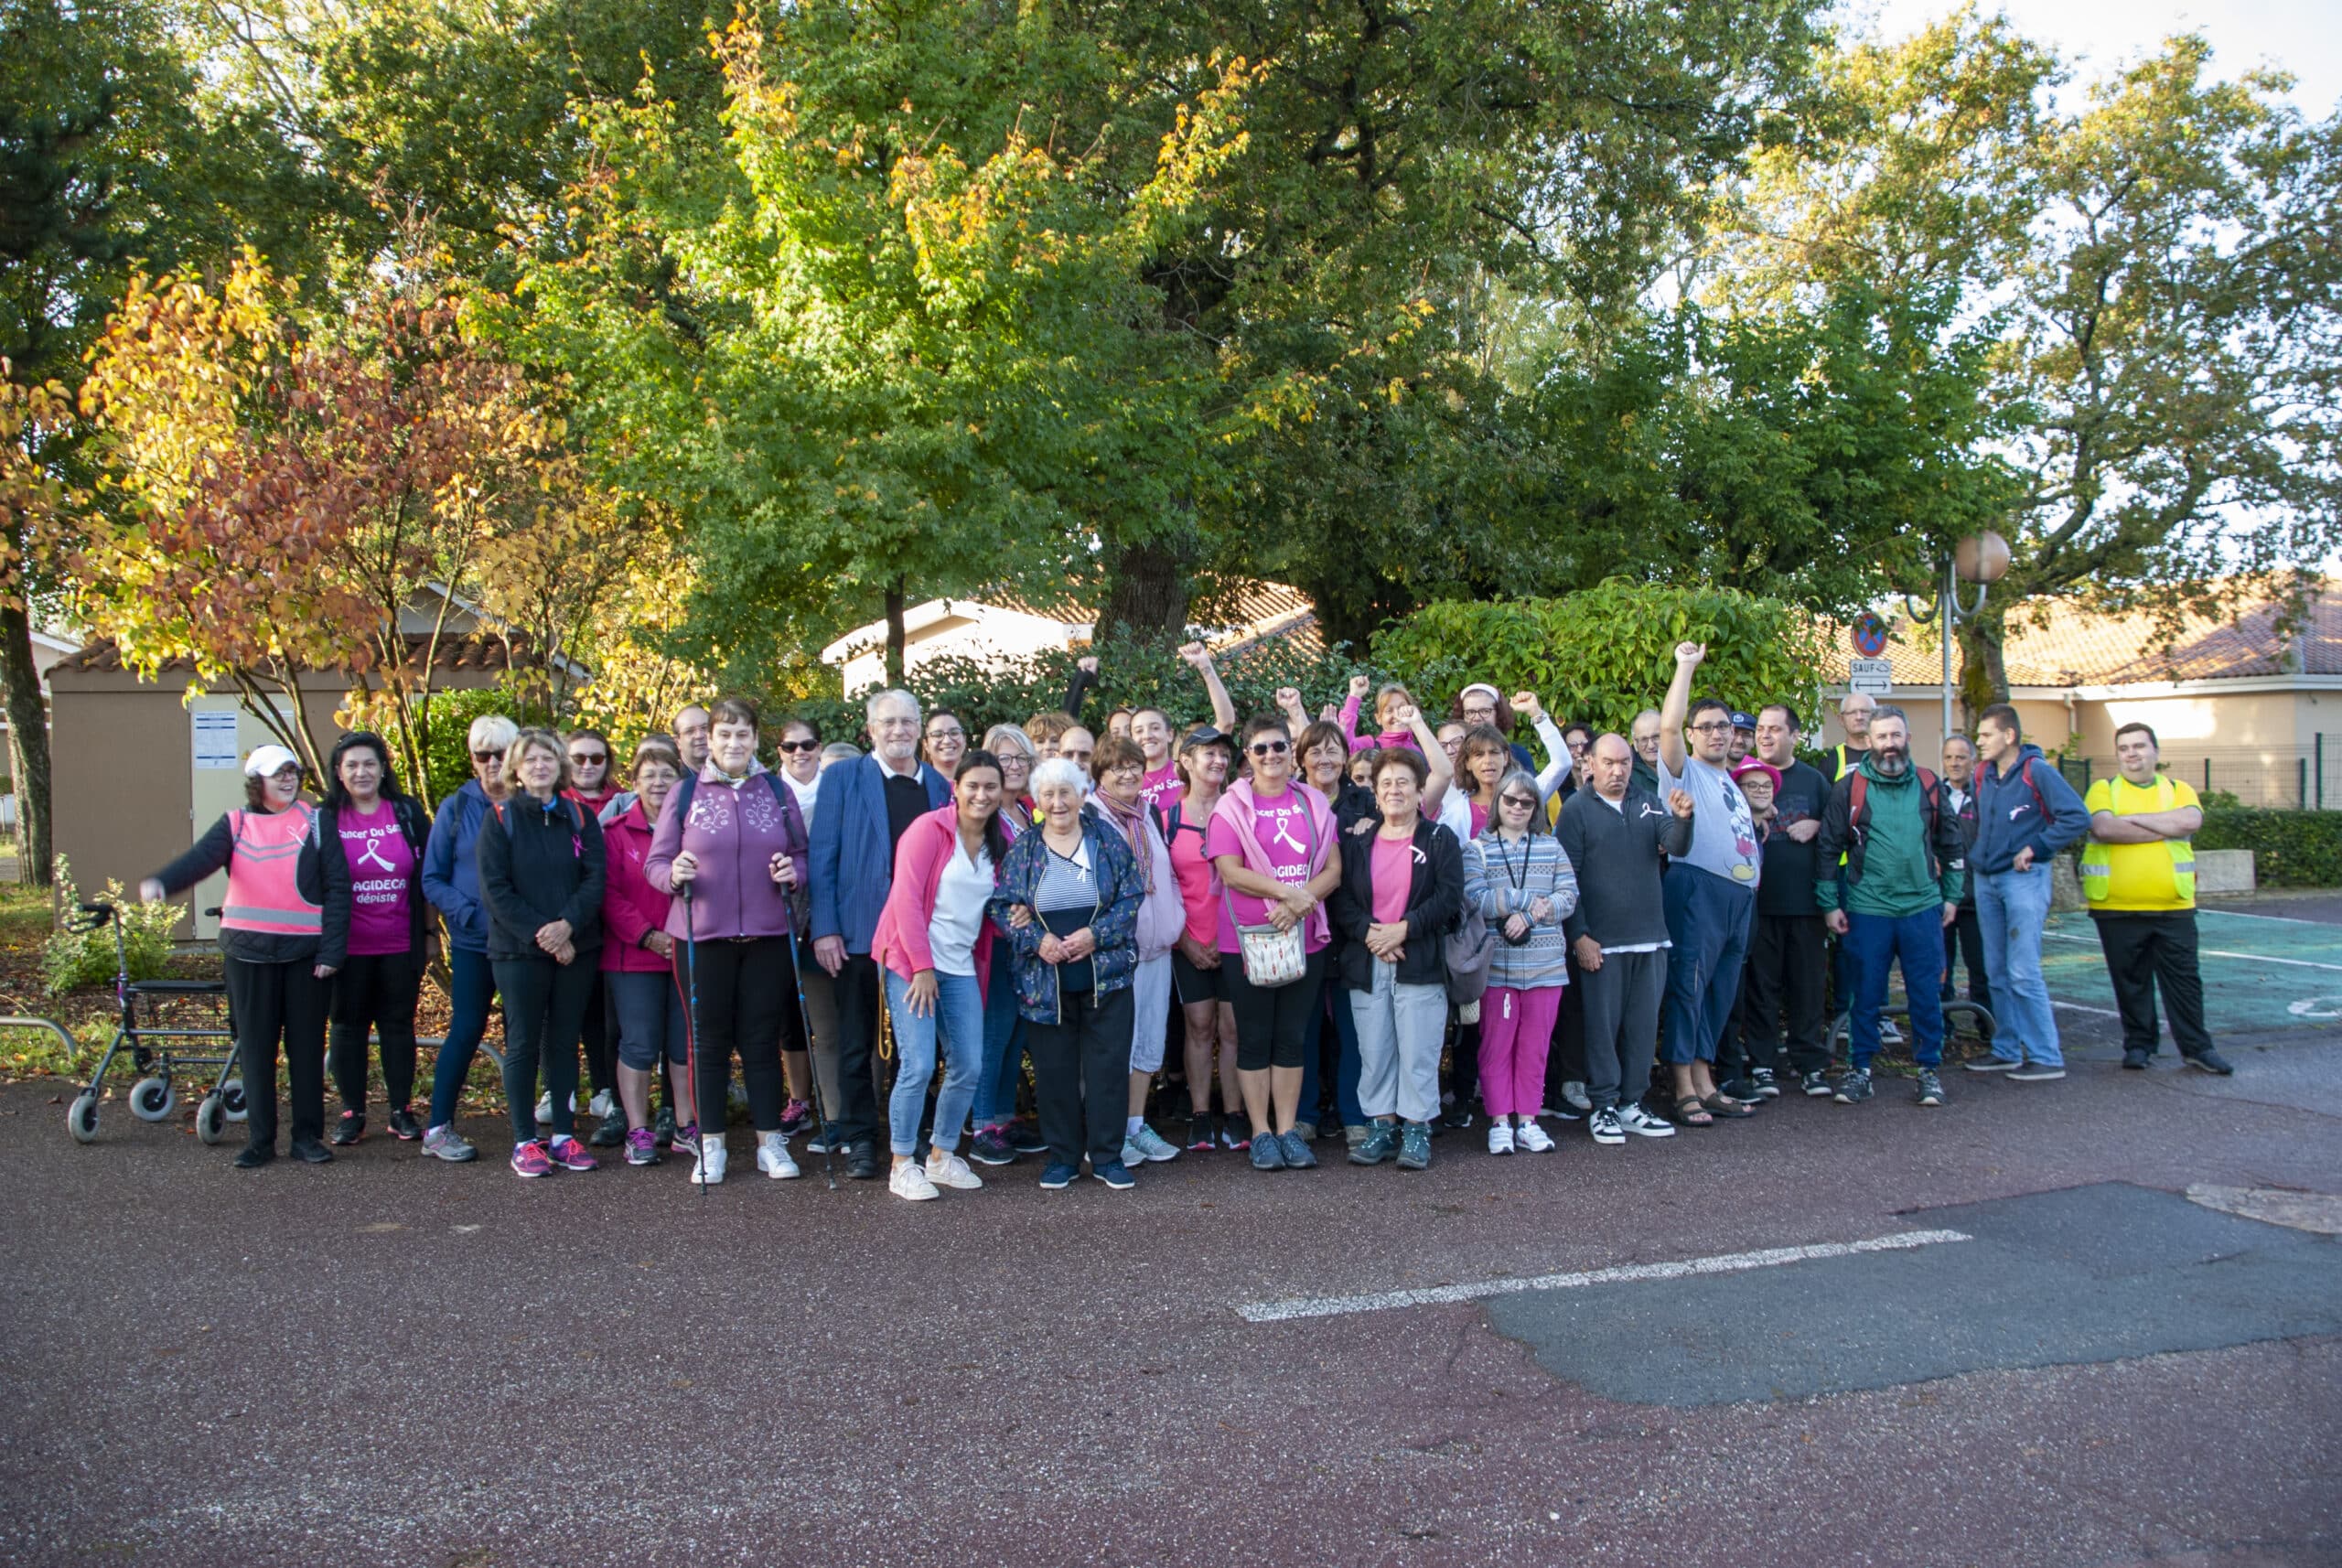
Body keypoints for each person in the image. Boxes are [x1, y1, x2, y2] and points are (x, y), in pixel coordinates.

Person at [140, 745, 330, 1168]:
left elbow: (336, 887)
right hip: (248, 956)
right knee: (256, 1051)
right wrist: (162, 883)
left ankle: (307, 1138)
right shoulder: (236, 824)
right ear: (257, 781)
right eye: (277, 773)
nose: (287, 779)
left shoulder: (316, 821)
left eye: (292, 771)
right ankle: (261, 1141)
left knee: (305, 1050)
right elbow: (199, 861)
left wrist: (332, 950)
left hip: (306, 957)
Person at [648, 697, 810, 1186]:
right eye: (724, 734)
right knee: (708, 1041)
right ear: (709, 741)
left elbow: (802, 856)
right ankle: (711, 1145)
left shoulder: (777, 792)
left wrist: (791, 872)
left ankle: (769, 1143)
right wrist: (673, 873)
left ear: (756, 740)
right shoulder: (684, 794)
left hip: (767, 935)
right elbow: (655, 864)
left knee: (761, 1040)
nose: (734, 743)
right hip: (701, 935)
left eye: (743, 735)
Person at [808, 688, 951, 1179]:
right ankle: (860, 1138)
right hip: (858, 933)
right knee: (855, 1041)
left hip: (919, 939)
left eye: (908, 721)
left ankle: (906, 1139)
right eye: (887, 722)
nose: (898, 731)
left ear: (919, 728)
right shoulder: (843, 778)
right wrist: (824, 928)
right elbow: (822, 857)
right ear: (870, 729)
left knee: (915, 1047)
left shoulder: (938, 785)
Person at [989, 757, 1146, 1189]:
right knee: (1054, 1069)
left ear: (1081, 796)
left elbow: (1132, 895)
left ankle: (1109, 1156)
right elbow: (1001, 906)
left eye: (1065, 793)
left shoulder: (1107, 841)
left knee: (1108, 1068)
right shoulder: (1024, 848)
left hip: (1106, 974)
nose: (1057, 802)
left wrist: (1096, 935)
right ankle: (1062, 1157)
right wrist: (1036, 941)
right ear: (1037, 801)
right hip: (1045, 979)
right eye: (1048, 794)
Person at [873, 751, 1010, 1200]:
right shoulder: (928, 830)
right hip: (912, 964)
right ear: (957, 787)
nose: (982, 794)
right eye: (973, 785)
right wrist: (921, 968)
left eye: (991, 787)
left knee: (969, 1063)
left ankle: (942, 1156)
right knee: (918, 1065)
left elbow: (998, 905)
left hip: (961, 965)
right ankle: (901, 1163)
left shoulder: (999, 841)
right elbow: (906, 902)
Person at [1209, 714, 1342, 1171]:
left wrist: (1299, 906)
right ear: (1247, 754)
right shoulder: (1230, 807)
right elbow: (1229, 870)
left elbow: (1333, 869)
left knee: (1292, 1038)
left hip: (1304, 939)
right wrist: (1289, 895)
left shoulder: (1314, 803)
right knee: (1254, 1039)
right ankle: (1261, 1132)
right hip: (1247, 942)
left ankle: (1287, 1130)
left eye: (1279, 747)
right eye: (1261, 748)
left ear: (1291, 753)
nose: (1271, 755)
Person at [1815, 705, 1965, 1109]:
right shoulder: (1850, 788)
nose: (1889, 744)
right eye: (1881, 737)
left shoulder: (1931, 784)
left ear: (1908, 739)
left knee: (1926, 994)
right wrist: (1830, 904)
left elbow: (1952, 845)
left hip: (1922, 907)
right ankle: (1859, 1070)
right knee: (1863, 995)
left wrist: (1952, 895)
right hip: (1869, 909)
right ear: (1870, 742)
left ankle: (1929, 1072)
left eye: (1895, 735)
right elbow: (1829, 847)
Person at [477, 727, 607, 1177]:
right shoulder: (499, 819)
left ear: (560, 765)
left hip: (577, 948)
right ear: (515, 767)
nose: (539, 766)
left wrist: (568, 926)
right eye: (530, 759)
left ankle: (564, 1136)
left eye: (548, 758)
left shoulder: (580, 817)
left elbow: (595, 879)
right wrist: (544, 934)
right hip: (518, 952)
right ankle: (524, 1140)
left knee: (564, 1042)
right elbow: (495, 890)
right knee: (523, 1043)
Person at [1330, 746, 1464, 1172]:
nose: (1394, 790)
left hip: (1418, 957)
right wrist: (1373, 934)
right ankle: (1382, 1126)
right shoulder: (1357, 843)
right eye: (1385, 782)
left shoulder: (1439, 839)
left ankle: (1417, 1128)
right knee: (1375, 1049)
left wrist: (1403, 929)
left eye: (1403, 781)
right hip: (1367, 959)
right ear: (1374, 790)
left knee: (1419, 1049)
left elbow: (1449, 897)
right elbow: (1343, 900)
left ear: (1420, 789)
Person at [1559, 736, 1693, 1144]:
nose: (1617, 771)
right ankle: (1603, 1107)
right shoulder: (1575, 810)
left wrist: (1684, 818)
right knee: (1602, 1029)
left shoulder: (1650, 800)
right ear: (1591, 764)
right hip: (1602, 943)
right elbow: (1566, 879)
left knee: (1641, 1028)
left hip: (1651, 939)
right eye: (1609, 763)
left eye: (1624, 763)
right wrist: (1579, 935)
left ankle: (1632, 1103)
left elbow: (1677, 846)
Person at [2082, 723, 2232, 1075]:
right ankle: (2138, 1046)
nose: (2131, 754)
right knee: (2130, 982)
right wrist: (2163, 827)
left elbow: (2190, 821)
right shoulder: (2102, 790)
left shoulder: (2180, 789)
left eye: (2139, 746)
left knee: (2184, 982)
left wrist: (2133, 821)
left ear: (2156, 752)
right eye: (2123, 748)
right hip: (2116, 908)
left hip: (2174, 908)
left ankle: (2197, 1048)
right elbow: (2105, 829)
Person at [1655, 644, 1763, 1125]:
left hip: (1739, 900)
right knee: (1689, 987)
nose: (1719, 734)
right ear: (1695, 735)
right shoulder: (1685, 770)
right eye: (1709, 727)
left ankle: (1705, 1079)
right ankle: (1682, 1088)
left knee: (1719, 991)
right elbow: (1667, 727)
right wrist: (1686, 667)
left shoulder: (1734, 781)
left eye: (1726, 727)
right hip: (1697, 888)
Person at [309, 732, 432, 1146]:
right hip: (345, 948)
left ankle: (401, 1110)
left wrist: (430, 936)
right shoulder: (324, 817)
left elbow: (428, 875)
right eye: (352, 766)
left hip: (400, 941)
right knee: (347, 1027)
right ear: (339, 774)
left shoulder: (407, 812)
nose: (361, 772)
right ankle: (353, 1113)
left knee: (398, 1026)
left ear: (383, 769)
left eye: (369, 764)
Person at [1968, 703, 2090, 1082]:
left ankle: (2046, 1055)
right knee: (1996, 971)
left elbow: (2077, 816)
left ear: (2010, 736)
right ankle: (2006, 1049)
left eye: (1986, 735)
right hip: (1986, 878)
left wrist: (2036, 847)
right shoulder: (1984, 774)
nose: (1979, 741)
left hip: (2023, 879)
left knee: (2023, 970)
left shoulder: (2038, 772)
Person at [418, 713, 519, 1163]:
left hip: (522, 943)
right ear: (472, 757)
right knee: (466, 1028)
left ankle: (534, 1132)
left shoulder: (535, 805)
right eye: (484, 754)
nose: (493, 762)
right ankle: (438, 1127)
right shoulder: (455, 808)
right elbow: (432, 877)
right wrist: (465, 912)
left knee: (527, 1033)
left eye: (501, 753)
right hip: (474, 941)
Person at [1463, 767, 1579, 1154]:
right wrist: (1530, 901)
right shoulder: (1477, 848)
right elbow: (1477, 898)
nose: (1517, 807)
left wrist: (1528, 917)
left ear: (1536, 808)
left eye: (1526, 802)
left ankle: (1528, 1120)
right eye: (1510, 799)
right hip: (1496, 969)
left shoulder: (1552, 846)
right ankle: (1499, 1121)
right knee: (1496, 1047)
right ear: (1498, 803)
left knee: (1535, 1048)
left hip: (1546, 968)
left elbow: (1568, 896)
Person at [1087, 736, 1187, 1166]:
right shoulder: (1091, 819)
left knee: (1148, 1042)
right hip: (1115, 952)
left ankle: (1134, 1124)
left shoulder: (1150, 815)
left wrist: (1176, 917)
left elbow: (1168, 876)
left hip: (1158, 947)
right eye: (1116, 768)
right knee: (1114, 1046)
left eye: (1134, 766)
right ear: (1100, 775)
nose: (1128, 774)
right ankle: (1107, 1134)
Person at [600, 738, 691, 1166]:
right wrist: (649, 935)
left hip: (687, 952)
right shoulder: (616, 834)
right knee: (639, 1043)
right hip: (633, 955)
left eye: (667, 774)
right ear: (633, 782)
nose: (658, 782)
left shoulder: (694, 828)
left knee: (683, 1043)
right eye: (649, 775)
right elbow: (610, 894)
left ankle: (686, 1127)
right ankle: (639, 1130)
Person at [1736, 703, 1834, 1098]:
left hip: (1806, 905)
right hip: (1759, 905)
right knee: (1761, 989)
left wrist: (1820, 824)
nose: (1765, 735)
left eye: (1775, 729)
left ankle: (1810, 1064)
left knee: (1808, 989)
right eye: (1761, 728)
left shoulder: (1814, 781)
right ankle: (1762, 1063)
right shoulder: (1740, 777)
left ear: (1794, 735)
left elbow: (1840, 830)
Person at [1162, 726, 1244, 1151]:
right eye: (1207, 753)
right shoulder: (1166, 820)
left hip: (1236, 942)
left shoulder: (1240, 812)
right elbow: (1160, 887)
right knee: (1198, 1026)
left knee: (1232, 1028)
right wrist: (1183, 941)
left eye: (1222, 754)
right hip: (1187, 941)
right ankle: (1199, 1116)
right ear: (1186, 761)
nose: (1217, 761)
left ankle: (1233, 1116)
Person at [967, 724, 1042, 1165]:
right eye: (1005, 759)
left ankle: (1003, 1116)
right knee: (993, 1033)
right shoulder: (984, 815)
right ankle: (981, 1125)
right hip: (992, 939)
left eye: (1021, 759)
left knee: (1016, 1032)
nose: (1014, 767)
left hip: (1026, 943)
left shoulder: (1031, 809)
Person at [563, 727, 622, 1144]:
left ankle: (605, 1089)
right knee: (568, 1014)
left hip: (612, 926)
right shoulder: (553, 803)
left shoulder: (623, 802)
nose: (587, 766)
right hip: (568, 925)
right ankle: (558, 1090)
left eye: (596, 759)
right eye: (579, 758)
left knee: (606, 1017)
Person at [770, 715, 826, 1136]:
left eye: (808, 745)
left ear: (820, 748)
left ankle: (833, 1101)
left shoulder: (835, 787)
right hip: (780, 911)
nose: (800, 753)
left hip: (826, 911)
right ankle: (798, 1100)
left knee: (828, 1015)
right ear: (779, 752)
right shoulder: (767, 792)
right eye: (791, 747)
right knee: (790, 1013)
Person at [1131, 642, 1239, 809]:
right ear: (1131, 739)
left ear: (1170, 734)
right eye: (1139, 731)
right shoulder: (1128, 780)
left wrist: (1205, 667)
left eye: (1155, 728)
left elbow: (1226, 722)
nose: (1147, 735)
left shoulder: (1187, 766)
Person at [1939, 734, 1993, 1022]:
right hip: (1941, 898)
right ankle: (1941, 1028)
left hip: (1975, 898)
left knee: (1980, 968)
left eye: (1961, 757)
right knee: (1939, 968)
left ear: (1973, 760)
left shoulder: (1986, 796)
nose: (1954, 763)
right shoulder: (1933, 795)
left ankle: (1988, 1029)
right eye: (1949, 757)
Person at [1824, 693, 1875, 779]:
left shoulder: (1887, 754)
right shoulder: (1830, 760)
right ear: (1841, 720)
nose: (1859, 717)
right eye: (1852, 712)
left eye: (1865, 712)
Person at [923, 709, 968, 778]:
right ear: (926, 744)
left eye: (954, 733)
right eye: (938, 735)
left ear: (964, 740)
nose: (947, 741)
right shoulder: (917, 784)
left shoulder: (982, 781)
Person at [1628, 709, 1663, 796]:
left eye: (1656, 737)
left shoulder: (1683, 768)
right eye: (1644, 739)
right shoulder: (1628, 777)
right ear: (1635, 744)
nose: (1651, 745)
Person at [672, 703, 713, 775]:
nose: (699, 735)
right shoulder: (672, 781)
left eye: (704, 728)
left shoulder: (734, 777)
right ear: (677, 742)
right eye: (690, 731)